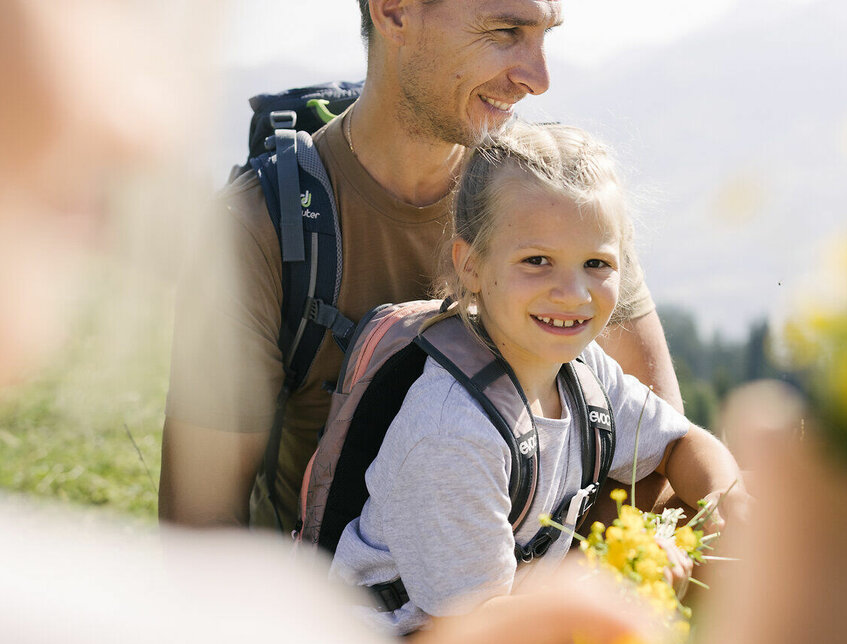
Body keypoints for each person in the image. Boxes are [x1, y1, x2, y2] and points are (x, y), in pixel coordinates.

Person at [159, 0, 683, 533]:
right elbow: (201, 528)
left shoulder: (553, 197)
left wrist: (559, 584)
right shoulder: (256, 227)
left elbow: (662, 454)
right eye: (505, 31)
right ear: (394, 13)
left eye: (546, 35)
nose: (538, 79)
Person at [328, 122, 747, 636]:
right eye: (537, 261)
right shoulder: (453, 433)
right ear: (472, 266)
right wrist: (614, 588)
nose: (571, 293)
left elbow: (683, 444)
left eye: (596, 263)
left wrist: (725, 503)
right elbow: (474, 628)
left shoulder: (586, 375)